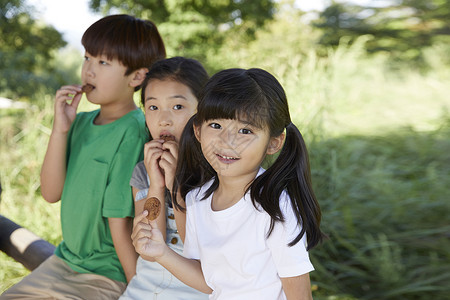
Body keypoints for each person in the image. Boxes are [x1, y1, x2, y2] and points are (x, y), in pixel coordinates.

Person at [1, 14, 166, 299]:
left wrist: (135, 287)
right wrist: (61, 129)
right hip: (64, 260)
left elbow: (119, 219)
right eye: (87, 58)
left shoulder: (134, 130)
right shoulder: (80, 123)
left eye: (103, 63)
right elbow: (51, 193)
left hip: (107, 272)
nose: (89, 70)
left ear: (137, 77)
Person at [132, 68, 325, 299]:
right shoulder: (198, 198)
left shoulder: (275, 207)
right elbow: (211, 282)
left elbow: (300, 296)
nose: (227, 141)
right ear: (198, 130)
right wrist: (161, 252)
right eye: (216, 125)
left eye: (245, 130)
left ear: (274, 143)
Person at [120, 57, 209, 299]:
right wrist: (156, 185)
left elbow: (195, 249)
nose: (163, 119)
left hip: (195, 290)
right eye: (153, 107)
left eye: (177, 107)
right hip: (144, 289)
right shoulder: (143, 171)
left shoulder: (215, 170)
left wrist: (175, 185)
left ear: (203, 111)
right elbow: (148, 250)